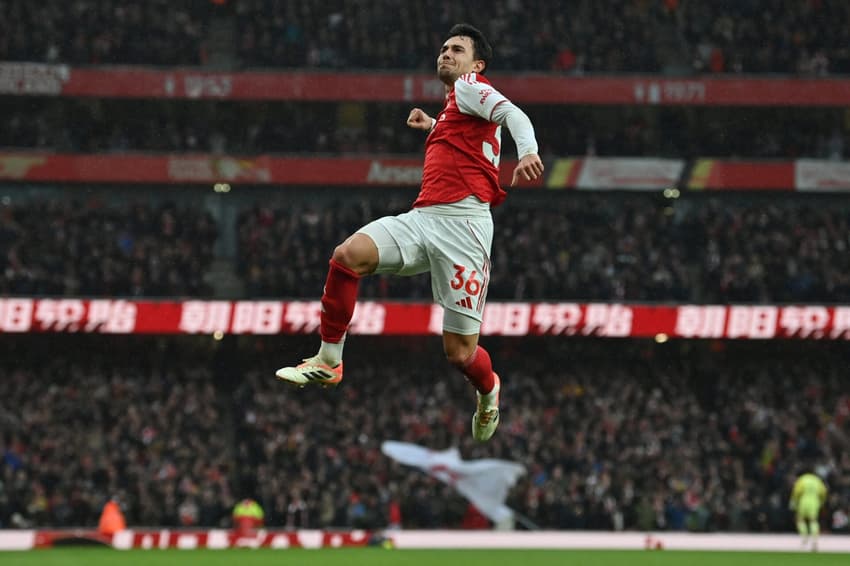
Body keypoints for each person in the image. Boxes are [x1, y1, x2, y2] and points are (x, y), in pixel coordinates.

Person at [276, 23, 544, 442]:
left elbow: (514, 114)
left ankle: (490, 391)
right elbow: (473, 144)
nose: (446, 54)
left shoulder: (472, 85)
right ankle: (329, 361)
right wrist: (435, 125)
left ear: (477, 64)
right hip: (424, 219)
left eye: (457, 49)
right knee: (347, 255)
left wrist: (528, 150)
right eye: (443, 48)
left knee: (460, 353)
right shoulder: (459, 103)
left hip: (465, 230)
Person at [789, 467, 828, 551]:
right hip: (815, 501)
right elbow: (823, 492)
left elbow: (796, 492)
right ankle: (814, 541)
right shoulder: (817, 480)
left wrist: (794, 502)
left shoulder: (802, 479)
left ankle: (804, 537)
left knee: (800, 519)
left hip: (804, 500)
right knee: (813, 520)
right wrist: (822, 502)